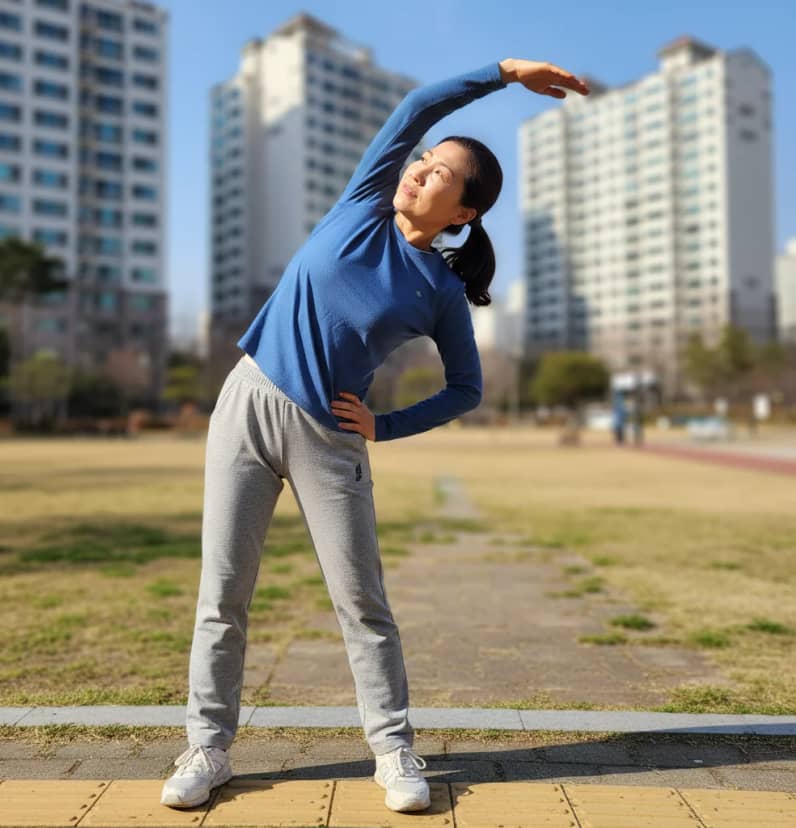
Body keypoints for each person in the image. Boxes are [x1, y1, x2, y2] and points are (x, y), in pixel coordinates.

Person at [161, 56, 589, 814]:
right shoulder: (362, 202)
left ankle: (393, 751)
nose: (420, 173)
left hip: (331, 439)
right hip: (246, 405)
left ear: (464, 213)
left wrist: (384, 427)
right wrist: (504, 73)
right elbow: (419, 105)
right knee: (222, 595)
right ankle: (207, 747)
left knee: (362, 603)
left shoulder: (441, 290)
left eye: (440, 175)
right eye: (423, 162)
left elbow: (467, 388)